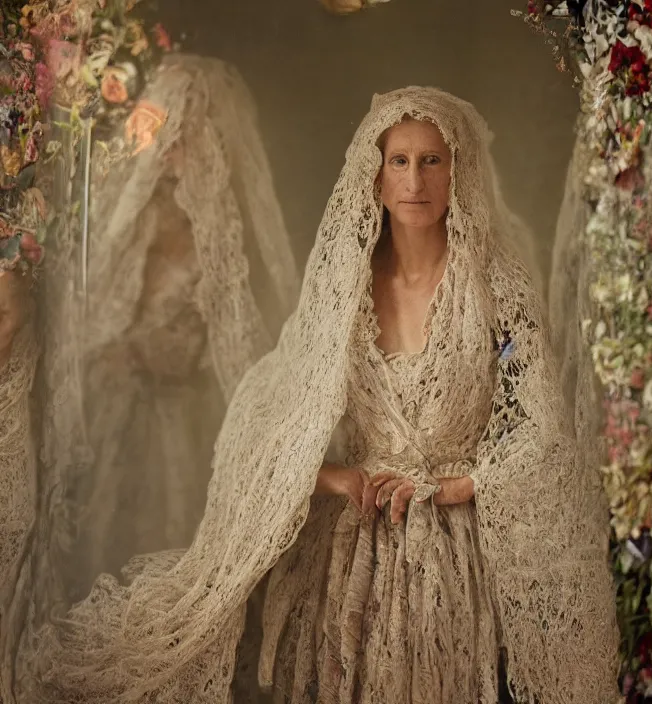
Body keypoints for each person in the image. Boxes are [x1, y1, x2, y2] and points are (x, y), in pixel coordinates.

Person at [10, 87, 618, 704]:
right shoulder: (342, 288)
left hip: (458, 557)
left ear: (459, 169)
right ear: (374, 175)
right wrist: (337, 477)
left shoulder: (498, 287)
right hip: (352, 558)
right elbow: (268, 413)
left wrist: (463, 486)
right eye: (399, 161)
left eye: (433, 160)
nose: (415, 180)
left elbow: (541, 425)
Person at [0, 53, 299, 701]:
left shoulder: (225, 240)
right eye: (164, 125)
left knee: (166, 573)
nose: (171, 144)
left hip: (182, 424)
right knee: (90, 565)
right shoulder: (128, 218)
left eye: (191, 132)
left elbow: (240, 352)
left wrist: (152, 356)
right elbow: (83, 316)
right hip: (112, 416)